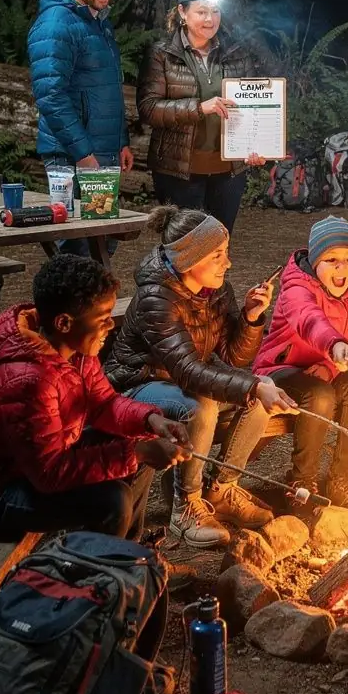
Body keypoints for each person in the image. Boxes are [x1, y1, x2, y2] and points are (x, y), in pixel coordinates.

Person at [106, 205, 297, 549]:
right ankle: (186, 506)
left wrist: (252, 317)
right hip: (136, 385)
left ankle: (222, 490)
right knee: (202, 405)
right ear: (190, 260)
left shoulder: (215, 289)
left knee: (254, 401)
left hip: (181, 381)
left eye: (227, 253)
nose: (229, 263)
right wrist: (253, 384)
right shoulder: (156, 298)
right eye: (219, 255)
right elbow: (188, 371)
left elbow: (232, 358)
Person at [0, 255, 189, 541]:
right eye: (103, 318)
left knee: (140, 442)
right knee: (111, 501)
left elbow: (104, 404)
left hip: (35, 465)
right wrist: (136, 454)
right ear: (64, 322)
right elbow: (49, 473)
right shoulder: (28, 380)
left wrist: (151, 421)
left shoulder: (74, 351)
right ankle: (98, 576)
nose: (110, 326)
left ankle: (130, 556)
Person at [254, 216, 348, 513]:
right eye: (331, 259)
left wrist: (330, 366)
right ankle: (302, 483)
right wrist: (333, 345)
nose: (341, 267)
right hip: (280, 369)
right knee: (320, 396)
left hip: (325, 368)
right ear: (314, 259)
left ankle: (344, 476)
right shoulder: (297, 288)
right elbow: (309, 319)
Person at [137, 0, 269, 235]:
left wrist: (257, 147)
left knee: (219, 243)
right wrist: (199, 107)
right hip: (178, 171)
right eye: (202, 12)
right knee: (184, 246)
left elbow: (255, 107)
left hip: (229, 172)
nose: (210, 19)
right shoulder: (161, 54)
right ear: (182, 12)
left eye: (215, 11)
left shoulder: (237, 54)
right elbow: (149, 109)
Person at [28, 0, 132, 253]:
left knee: (100, 244)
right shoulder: (57, 23)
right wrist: (84, 154)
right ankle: (60, 305)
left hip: (101, 154)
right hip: (73, 159)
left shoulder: (98, 22)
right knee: (76, 247)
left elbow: (107, 88)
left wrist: (121, 140)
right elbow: (50, 95)